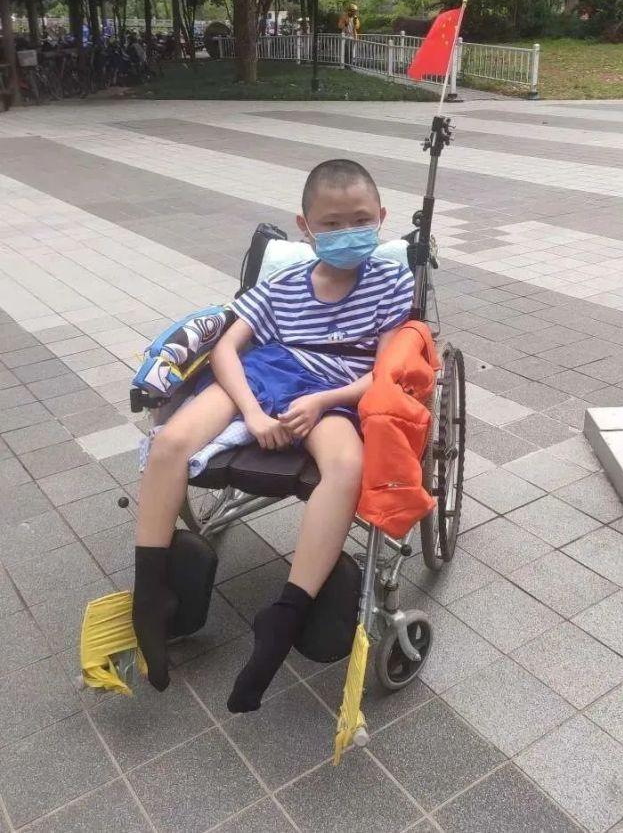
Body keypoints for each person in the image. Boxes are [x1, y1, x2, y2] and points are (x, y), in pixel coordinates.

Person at [133, 159, 415, 708]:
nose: (347, 232)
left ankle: (284, 616)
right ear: (305, 227)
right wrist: (252, 415)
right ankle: (150, 597)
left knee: (346, 467)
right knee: (168, 442)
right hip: (263, 375)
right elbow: (225, 348)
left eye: (360, 220)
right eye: (331, 223)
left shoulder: (390, 281)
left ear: (381, 217)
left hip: (338, 390)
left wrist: (322, 401)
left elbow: (386, 371)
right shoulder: (281, 286)